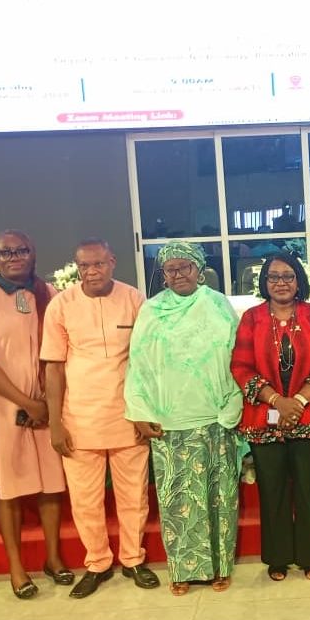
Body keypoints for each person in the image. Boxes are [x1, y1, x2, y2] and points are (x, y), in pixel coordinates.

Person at [125, 242, 244, 594]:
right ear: (163, 275)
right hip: (170, 421)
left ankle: (221, 566)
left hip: (215, 416)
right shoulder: (152, 310)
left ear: (199, 270)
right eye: (171, 270)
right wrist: (140, 411)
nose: (178, 275)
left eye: (185, 268)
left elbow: (237, 356)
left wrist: (233, 403)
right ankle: (182, 570)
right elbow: (138, 364)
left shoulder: (218, 305)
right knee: (177, 500)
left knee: (219, 497)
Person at [41, 239, 157, 598]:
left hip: (127, 415)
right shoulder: (61, 305)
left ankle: (133, 559)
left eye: (99, 264)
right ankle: (97, 563)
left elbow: (147, 362)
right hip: (79, 418)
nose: (91, 272)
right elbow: (53, 368)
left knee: (133, 494)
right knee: (85, 499)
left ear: (112, 262)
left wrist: (144, 412)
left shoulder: (134, 299)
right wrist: (56, 422)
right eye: (84, 266)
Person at [0, 230, 72, 598]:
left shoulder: (48, 293)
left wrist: (46, 402)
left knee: (51, 483)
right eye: (5, 252)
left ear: (32, 252)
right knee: (9, 489)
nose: (13, 257)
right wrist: (26, 402)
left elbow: (61, 348)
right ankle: (16, 568)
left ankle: (53, 558)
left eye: (20, 250)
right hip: (2, 403)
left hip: (46, 401)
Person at [231, 251, 310, 581]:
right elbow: (240, 366)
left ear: (298, 280)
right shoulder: (251, 318)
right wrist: (277, 401)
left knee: (308, 489)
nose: (281, 283)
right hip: (265, 418)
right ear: (264, 282)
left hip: (309, 415)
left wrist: (299, 401)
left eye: (288, 276)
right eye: (274, 277)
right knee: (272, 490)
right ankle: (277, 558)